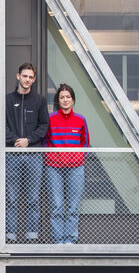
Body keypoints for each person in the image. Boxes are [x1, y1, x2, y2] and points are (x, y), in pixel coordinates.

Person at [4, 62, 49, 243]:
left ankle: (31, 236)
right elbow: (1, 125)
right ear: (18, 76)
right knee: (11, 198)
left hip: (33, 155)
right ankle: (10, 236)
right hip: (11, 154)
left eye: (31, 77)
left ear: (34, 79)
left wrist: (28, 140)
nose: (27, 80)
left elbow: (44, 126)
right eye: (25, 76)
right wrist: (15, 140)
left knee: (32, 198)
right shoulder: (7, 100)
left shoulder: (39, 100)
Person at [44, 84, 89, 245]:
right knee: (56, 206)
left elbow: (85, 143)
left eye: (68, 97)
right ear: (58, 100)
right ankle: (57, 240)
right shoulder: (50, 119)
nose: (65, 100)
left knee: (73, 206)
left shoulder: (81, 119)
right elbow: (45, 141)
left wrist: (77, 157)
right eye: (62, 97)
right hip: (53, 167)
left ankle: (70, 240)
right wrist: (51, 156)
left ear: (73, 100)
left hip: (76, 167)